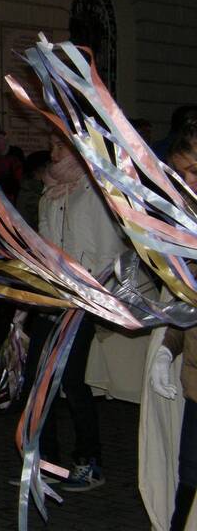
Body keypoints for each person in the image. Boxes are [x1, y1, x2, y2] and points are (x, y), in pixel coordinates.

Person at [28, 132, 129, 491]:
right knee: (37, 379)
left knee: (70, 380)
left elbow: (110, 253)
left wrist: (91, 292)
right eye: (52, 144)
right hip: (52, 298)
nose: (52, 152)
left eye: (60, 146)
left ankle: (90, 461)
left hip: (84, 299)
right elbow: (44, 246)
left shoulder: (95, 194)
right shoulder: (50, 193)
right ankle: (46, 461)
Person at [148, 123, 197, 530]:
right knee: (190, 472)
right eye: (181, 173)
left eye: (195, 170)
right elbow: (187, 301)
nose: (188, 181)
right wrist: (168, 348)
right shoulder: (182, 224)